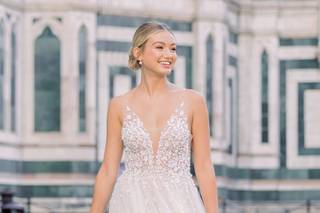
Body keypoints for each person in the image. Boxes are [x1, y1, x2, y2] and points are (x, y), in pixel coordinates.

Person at [90, 22, 219, 213]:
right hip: (131, 202)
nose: (169, 55)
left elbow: (204, 166)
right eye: (160, 47)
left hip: (180, 203)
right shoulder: (118, 105)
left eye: (173, 49)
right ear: (138, 53)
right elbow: (109, 168)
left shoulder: (193, 101)